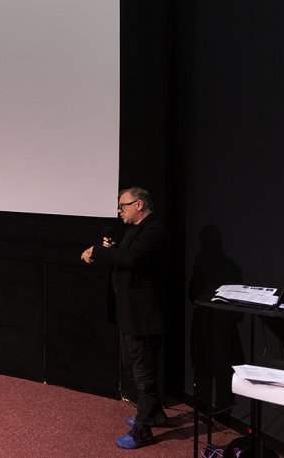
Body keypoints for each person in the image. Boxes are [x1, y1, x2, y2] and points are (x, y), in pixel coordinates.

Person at [81, 187, 169, 450]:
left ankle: (144, 430)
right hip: (128, 314)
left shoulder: (155, 231)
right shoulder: (135, 230)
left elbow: (133, 259)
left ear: (139, 205)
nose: (120, 211)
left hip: (142, 316)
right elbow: (128, 256)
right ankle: (154, 414)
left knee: (143, 372)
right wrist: (112, 249)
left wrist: (99, 251)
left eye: (123, 206)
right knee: (131, 365)